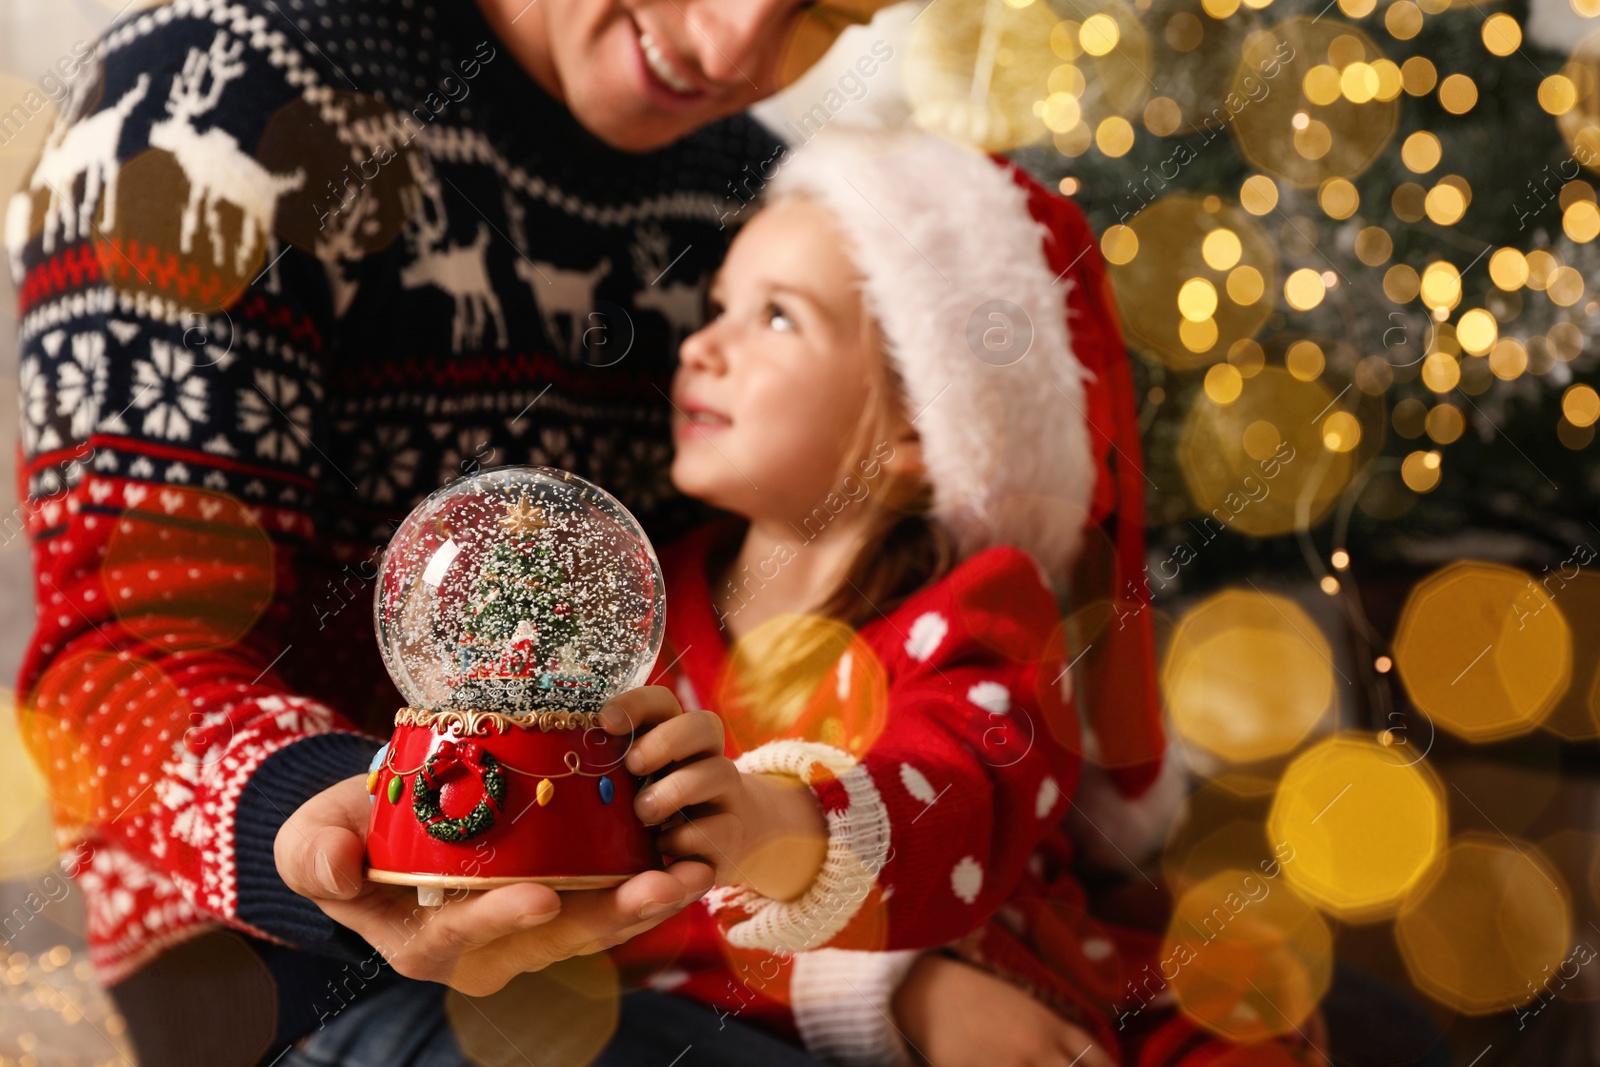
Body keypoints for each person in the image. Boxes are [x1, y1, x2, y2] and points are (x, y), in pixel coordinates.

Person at [7, 1, 898, 1062]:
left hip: (664, 937)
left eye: (830, 11)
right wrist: (346, 832)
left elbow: (799, 621)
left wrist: (892, 973)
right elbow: (112, 655)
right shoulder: (205, 109)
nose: (731, 50)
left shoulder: (752, 206)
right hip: (282, 968)